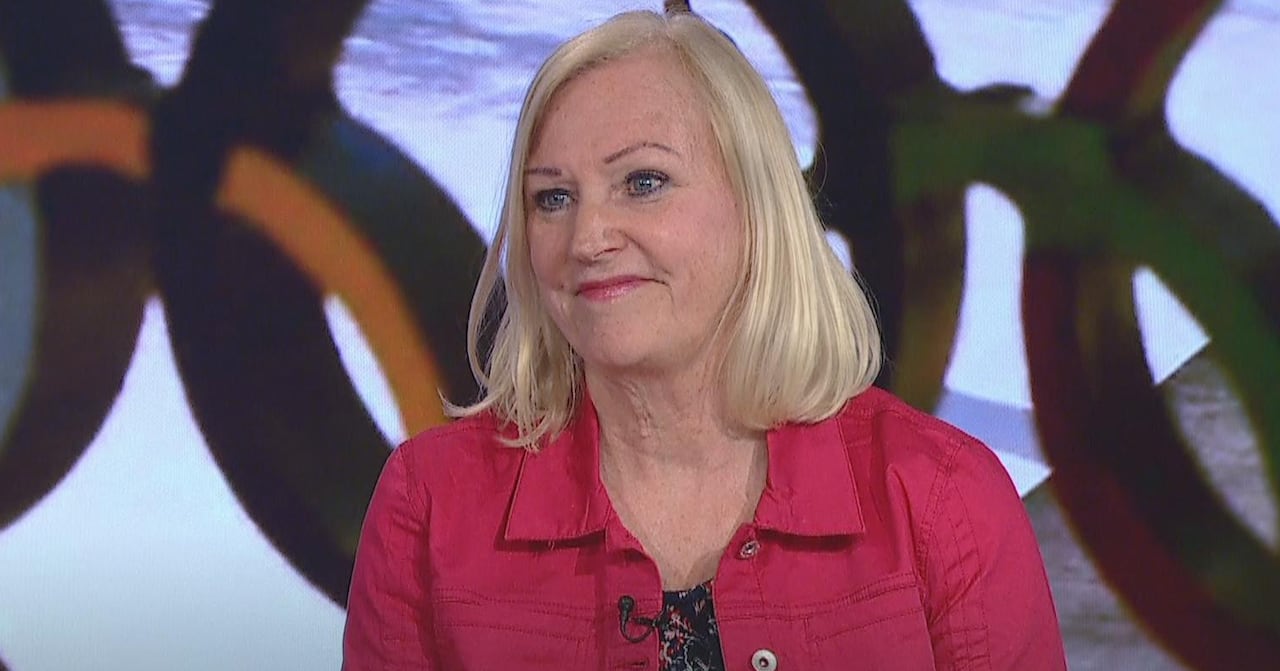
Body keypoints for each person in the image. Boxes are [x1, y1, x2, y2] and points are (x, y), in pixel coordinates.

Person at [343, 5, 1065, 670]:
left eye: (643, 181)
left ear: (755, 204)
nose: (588, 237)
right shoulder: (427, 507)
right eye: (552, 198)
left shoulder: (940, 499)